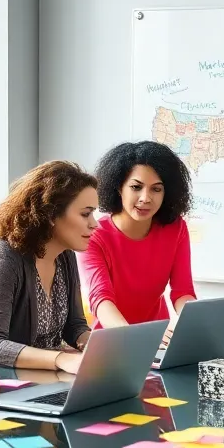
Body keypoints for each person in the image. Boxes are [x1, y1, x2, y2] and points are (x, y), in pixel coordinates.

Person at [0, 160, 97, 373]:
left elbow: (74, 325)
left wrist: (96, 346)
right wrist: (61, 359)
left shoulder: (65, 256)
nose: (94, 223)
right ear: (51, 214)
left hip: (47, 378)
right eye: (85, 214)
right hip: (1, 384)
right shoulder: (2, 261)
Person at [80, 141, 196, 337]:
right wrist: (135, 337)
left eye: (156, 189)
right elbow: (101, 300)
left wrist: (196, 324)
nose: (145, 198)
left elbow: (183, 291)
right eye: (136, 187)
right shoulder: (94, 235)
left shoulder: (176, 228)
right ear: (119, 188)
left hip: (159, 342)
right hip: (113, 341)